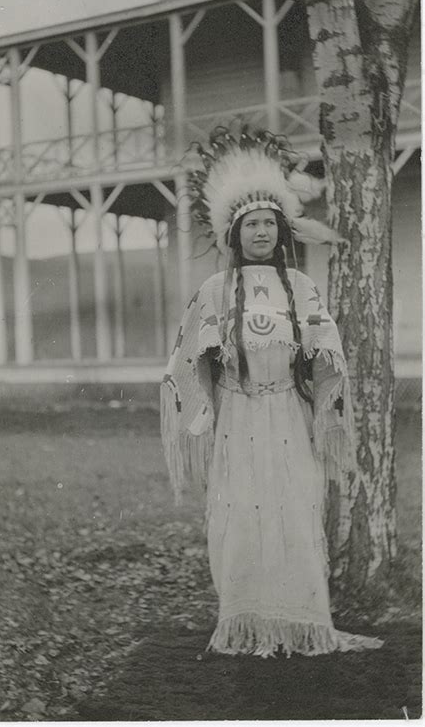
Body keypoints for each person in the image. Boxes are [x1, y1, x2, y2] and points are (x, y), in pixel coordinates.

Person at [161, 128, 383, 658]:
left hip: (287, 415)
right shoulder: (216, 291)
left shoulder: (301, 288)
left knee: (293, 507)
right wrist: (202, 411)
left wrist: (327, 404)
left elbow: (327, 349)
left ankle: (302, 624)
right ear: (233, 235)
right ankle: (243, 624)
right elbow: (188, 356)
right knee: (239, 513)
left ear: (282, 232)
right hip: (239, 415)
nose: (260, 231)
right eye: (250, 224)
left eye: (268, 223)